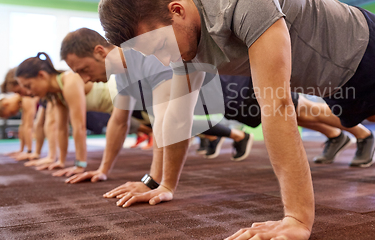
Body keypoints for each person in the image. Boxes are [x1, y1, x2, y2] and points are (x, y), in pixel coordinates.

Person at [98, 0, 375, 240]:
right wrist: (160, 183)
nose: (163, 61)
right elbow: (174, 113)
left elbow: (276, 106)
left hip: (363, 48)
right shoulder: (174, 41)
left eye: (159, 49)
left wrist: (296, 218)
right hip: (330, 80)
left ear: (176, 10)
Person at [60, 28, 255, 188]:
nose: (84, 79)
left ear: (100, 52)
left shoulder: (144, 55)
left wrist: (152, 182)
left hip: (242, 90)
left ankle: (240, 137)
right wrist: (102, 170)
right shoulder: (122, 74)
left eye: (84, 70)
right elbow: (119, 122)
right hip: (224, 104)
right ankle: (238, 137)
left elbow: (164, 120)